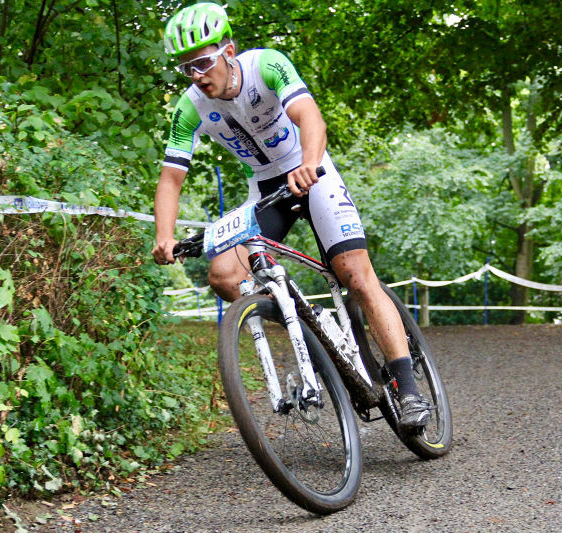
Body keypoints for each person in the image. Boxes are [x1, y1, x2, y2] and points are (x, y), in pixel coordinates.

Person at [152, 2, 430, 431]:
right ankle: (314, 338)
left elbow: (310, 117)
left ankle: (408, 389)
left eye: (203, 62)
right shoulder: (189, 108)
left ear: (229, 50)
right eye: (186, 68)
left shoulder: (266, 65)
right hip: (265, 190)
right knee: (224, 275)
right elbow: (171, 179)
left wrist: (309, 162)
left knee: (356, 276)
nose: (197, 75)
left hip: (311, 172)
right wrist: (165, 235)